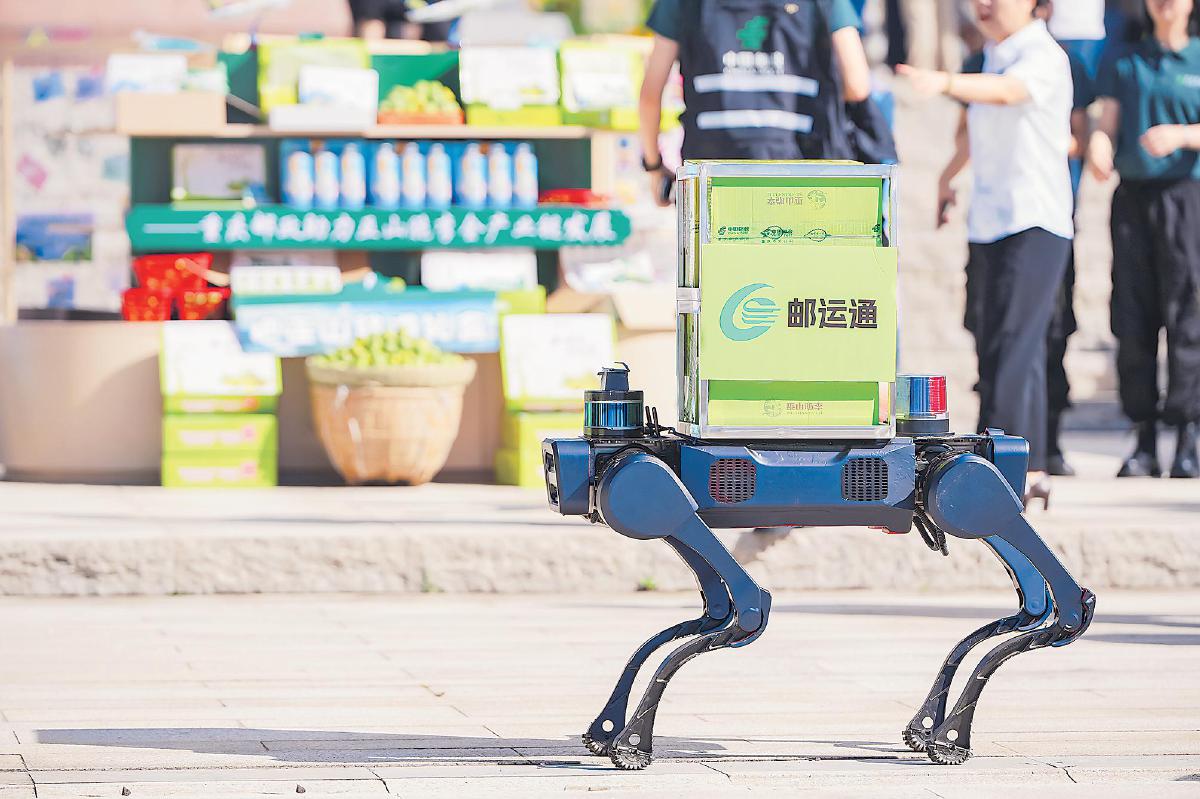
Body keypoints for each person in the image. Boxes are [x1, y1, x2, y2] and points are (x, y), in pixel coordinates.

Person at [901, 0, 1075, 508]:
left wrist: (944, 81)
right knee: (992, 340)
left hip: (1034, 220)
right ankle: (1029, 465)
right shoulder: (993, 56)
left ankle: (995, 467)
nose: (985, 4)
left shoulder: (1042, 54)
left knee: (1015, 344)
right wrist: (947, 177)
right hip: (990, 222)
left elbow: (1007, 93)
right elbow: (977, 126)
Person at [1087, 0, 1200, 479]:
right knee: (1133, 317)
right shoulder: (1126, 60)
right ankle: (1144, 436)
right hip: (1133, 199)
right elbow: (1107, 121)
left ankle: (1189, 433)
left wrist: (1182, 135)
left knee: (1189, 314)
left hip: (1187, 198)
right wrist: (1099, 143)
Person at [638, 0, 873, 205]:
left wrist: (654, 166)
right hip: (803, 165)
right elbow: (857, 85)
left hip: (711, 171)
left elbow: (650, 94)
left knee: (712, 242)